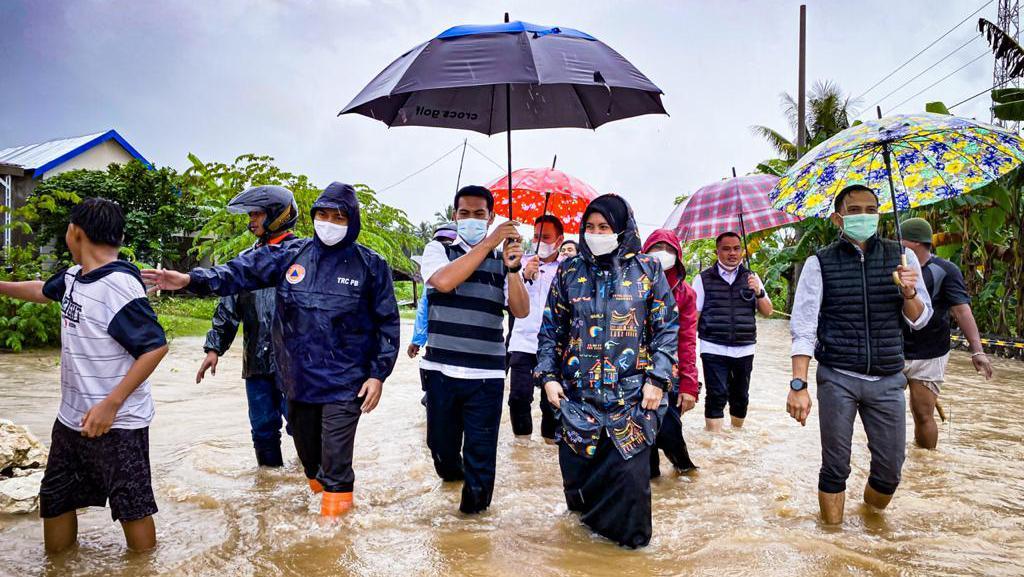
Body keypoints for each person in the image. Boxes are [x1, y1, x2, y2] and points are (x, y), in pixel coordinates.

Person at [142, 182, 400, 517]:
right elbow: (240, 272)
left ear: (352, 220)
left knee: (336, 462)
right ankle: (320, 509)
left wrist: (378, 375)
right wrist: (192, 280)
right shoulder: (291, 255)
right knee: (310, 461)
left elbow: (388, 324)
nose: (329, 222)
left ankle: (331, 543)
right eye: (323, 214)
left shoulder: (371, 265)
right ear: (312, 216)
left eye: (338, 217)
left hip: (345, 384)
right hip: (296, 380)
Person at [0, 198, 168, 553]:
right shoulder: (76, 277)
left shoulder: (119, 286)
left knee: (132, 507)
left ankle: (145, 569)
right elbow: (40, 289)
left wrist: (111, 404)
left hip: (119, 422)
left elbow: (154, 347)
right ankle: (57, 567)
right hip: (72, 418)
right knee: (56, 498)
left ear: (75, 233)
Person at [536, 194, 679, 548]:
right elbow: (551, 331)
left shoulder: (649, 270)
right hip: (577, 405)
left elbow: (666, 329)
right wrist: (549, 378)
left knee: (631, 508)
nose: (595, 233)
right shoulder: (569, 271)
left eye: (604, 227)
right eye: (589, 227)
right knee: (580, 514)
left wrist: (658, 381)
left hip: (632, 404)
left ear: (622, 229)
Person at [787, 184, 932, 525]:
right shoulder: (819, 262)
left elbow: (921, 320)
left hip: (888, 378)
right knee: (836, 465)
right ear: (838, 219)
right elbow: (804, 326)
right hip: (838, 376)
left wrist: (909, 291)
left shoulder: (903, 258)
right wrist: (798, 384)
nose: (864, 216)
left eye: (871, 209)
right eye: (855, 211)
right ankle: (833, 541)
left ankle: (870, 522)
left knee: (890, 471)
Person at [419, 185, 529, 514]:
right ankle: (451, 480)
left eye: (479, 214)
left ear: (490, 216)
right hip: (441, 371)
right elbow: (443, 282)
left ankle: (472, 526)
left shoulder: (504, 257)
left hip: (487, 375)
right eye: (464, 213)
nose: (471, 219)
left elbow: (521, 310)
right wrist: (489, 242)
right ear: (454, 216)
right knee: (441, 450)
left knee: (481, 458)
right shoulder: (437, 249)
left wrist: (512, 270)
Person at [197, 185, 299, 468]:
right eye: (250, 214)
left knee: (304, 429)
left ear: (278, 215)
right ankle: (268, 493)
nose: (251, 220)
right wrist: (214, 348)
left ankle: (313, 488)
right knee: (263, 430)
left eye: (257, 214)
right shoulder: (246, 260)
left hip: (296, 363)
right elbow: (228, 307)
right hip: (256, 361)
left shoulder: (302, 256)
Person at [900, 217, 993, 449]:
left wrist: (977, 351)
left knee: (922, 414)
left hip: (931, 352)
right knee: (884, 410)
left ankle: (927, 463)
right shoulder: (892, 267)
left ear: (915, 244)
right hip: (894, 349)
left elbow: (961, 310)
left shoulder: (945, 270)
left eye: (901, 241)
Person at [691, 232, 773, 431]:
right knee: (716, 395)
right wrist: (687, 353)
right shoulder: (703, 279)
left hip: (744, 349)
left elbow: (768, 311)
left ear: (742, 251)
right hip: (712, 347)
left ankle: (735, 443)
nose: (732, 253)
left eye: (736, 248)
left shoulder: (752, 278)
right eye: (726, 248)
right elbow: (694, 317)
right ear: (717, 251)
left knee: (741, 398)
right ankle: (714, 444)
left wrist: (758, 291)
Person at [643, 229, 699, 475]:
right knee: (644, 437)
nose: (662, 255)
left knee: (669, 430)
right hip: (636, 370)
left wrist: (689, 385)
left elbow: (687, 340)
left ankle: (686, 471)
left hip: (671, 374)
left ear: (678, 255)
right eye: (657, 248)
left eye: (668, 250)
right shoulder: (633, 284)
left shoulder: (686, 293)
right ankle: (654, 485)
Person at [507, 215, 565, 441]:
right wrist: (523, 276)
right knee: (518, 397)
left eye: (546, 237)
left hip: (554, 344)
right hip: (523, 342)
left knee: (552, 401)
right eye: (536, 236)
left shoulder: (567, 270)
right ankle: (522, 449)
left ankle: (550, 445)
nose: (539, 241)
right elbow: (507, 302)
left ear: (559, 240)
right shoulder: (519, 264)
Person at [408, 223, 458, 360]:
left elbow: (423, 308)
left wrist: (417, 340)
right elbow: (424, 306)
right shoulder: (434, 275)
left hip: (441, 341)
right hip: (443, 341)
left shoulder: (434, 273)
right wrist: (417, 340)